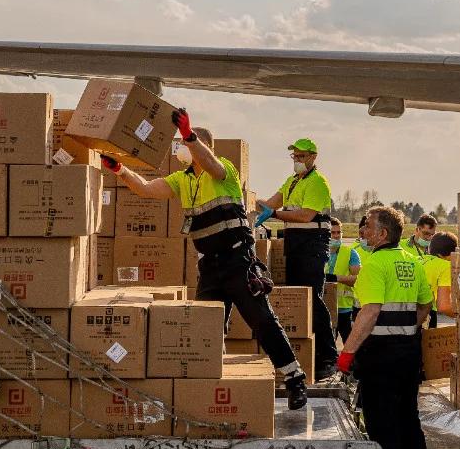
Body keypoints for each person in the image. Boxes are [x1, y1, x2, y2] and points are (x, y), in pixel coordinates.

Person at [104, 110, 309, 409]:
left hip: (238, 260)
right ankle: (210, 382)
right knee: (205, 326)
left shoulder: (223, 171)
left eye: (184, 146)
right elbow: (147, 189)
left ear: (199, 145)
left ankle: (295, 379)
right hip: (210, 266)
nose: (181, 151)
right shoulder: (182, 179)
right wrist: (121, 170)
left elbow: (210, 163)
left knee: (262, 320)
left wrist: (189, 136)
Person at [339, 206, 434, 449]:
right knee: (409, 422)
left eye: (367, 227)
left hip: (379, 357)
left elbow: (369, 313)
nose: (363, 232)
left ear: (382, 234)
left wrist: (346, 356)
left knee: (382, 425)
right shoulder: (412, 262)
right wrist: (406, 332)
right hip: (408, 354)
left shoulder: (374, 264)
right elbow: (425, 305)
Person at [256, 139, 339, 378]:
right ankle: (309, 355)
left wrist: (274, 213)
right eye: (295, 157)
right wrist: (253, 204)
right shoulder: (292, 182)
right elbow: (271, 203)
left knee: (312, 298)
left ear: (313, 157)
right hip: (296, 244)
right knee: (299, 298)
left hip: (313, 244)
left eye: (302, 157)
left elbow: (304, 215)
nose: (297, 161)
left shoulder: (317, 182)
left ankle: (328, 357)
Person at [325, 216, 361, 344]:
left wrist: (336, 278)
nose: (336, 236)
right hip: (323, 306)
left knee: (349, 342)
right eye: (332, 233)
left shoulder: (350, 253)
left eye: (338, 232)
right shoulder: (318, 252)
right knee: (327, 344)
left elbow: (358, 279)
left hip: (343, 308)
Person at [421, 232, 456, 329]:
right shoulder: (445, 266)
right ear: (451, 254)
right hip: (424, 314)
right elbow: (443, 306)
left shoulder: (417, 259)